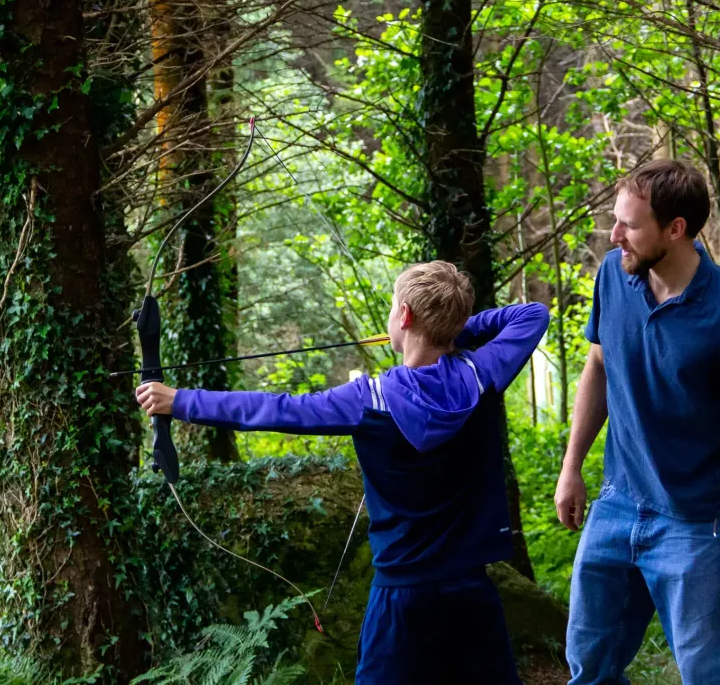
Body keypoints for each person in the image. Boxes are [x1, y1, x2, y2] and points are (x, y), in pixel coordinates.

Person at [135, 261, 549, 685]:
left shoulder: (365, 400)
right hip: (471, 591)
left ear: (404, 316)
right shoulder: (484, 374)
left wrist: (180, 401)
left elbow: (272, 408)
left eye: (394, 307)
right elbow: (532, 314)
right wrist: (449, 327)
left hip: (401, 599)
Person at [555, 159, 720, 684]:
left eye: (630, 225)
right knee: (589, 667)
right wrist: (572, 466)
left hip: (694, 525)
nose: (615, 235)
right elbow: (598, 364)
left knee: (706, 675)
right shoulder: (614, 278)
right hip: (616, 506)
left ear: (676, 229)